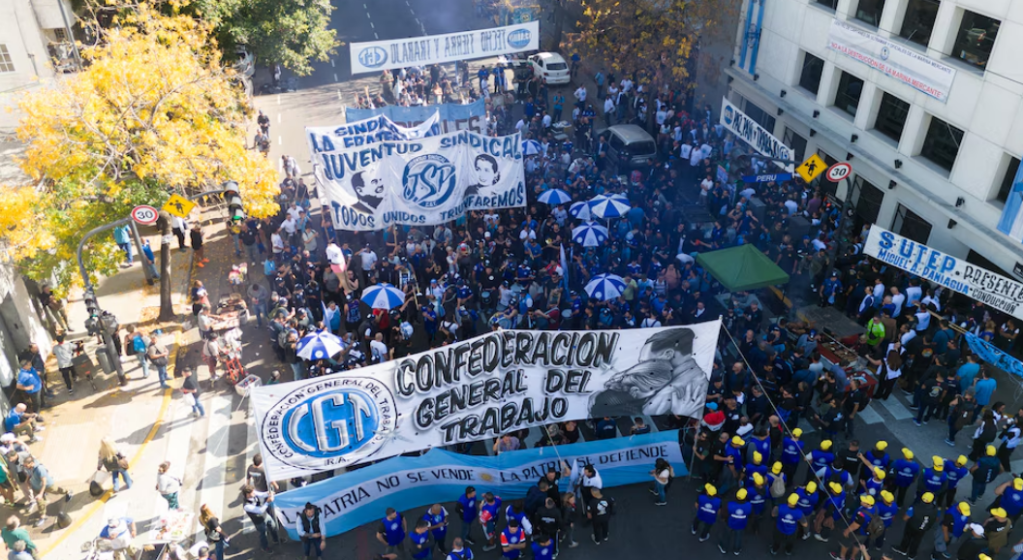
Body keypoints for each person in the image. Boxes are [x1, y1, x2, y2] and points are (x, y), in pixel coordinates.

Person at [23, 455, 67, 527]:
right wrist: (27, 481)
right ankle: (42, 517)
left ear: (31, 463)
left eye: (26, 465)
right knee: (40, 502)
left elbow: (44, 482)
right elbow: (29, 475)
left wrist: (41, 494)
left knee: (57, 491)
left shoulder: (40, 469)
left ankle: (67, 492)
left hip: (47, 486)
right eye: (24, 465)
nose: (25, 467)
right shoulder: (28, 468)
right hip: (36, 487)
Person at [893, 492, 939, 559]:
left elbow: (905, 518)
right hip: (923, 528)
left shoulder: (914, 507)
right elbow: (936, 519)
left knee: (907, 537)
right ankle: (912, 554)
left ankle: (903, 549)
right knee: (917, 541)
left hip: (912, 526)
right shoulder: (935, 509)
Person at [242, 484, 280, 553]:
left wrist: (268, 493)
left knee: (273, 527)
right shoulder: (247, 506)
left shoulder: (253, 493)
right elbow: (260, 510)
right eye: (252, 492)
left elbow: (262, 494)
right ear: (247, 494)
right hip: (259, 521)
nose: (254, 493)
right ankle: (265, 547)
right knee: (263, 534)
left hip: (265, 515)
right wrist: (267, 502)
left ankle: (276, 540)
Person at [721, 487, 752, 554]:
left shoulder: (730, 504)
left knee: (727, 536)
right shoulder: (748, 505)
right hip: (741, 524)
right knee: (738, 537)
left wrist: (724, 519)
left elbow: (724, 513)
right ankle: (736, 550)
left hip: (730, 523)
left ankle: (724, 548)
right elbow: (750, 514)